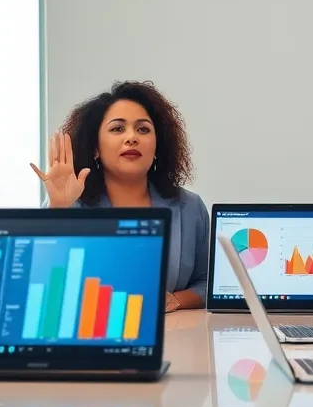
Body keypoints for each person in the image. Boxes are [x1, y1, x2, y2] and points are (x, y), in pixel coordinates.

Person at [32, 80, 208, 312]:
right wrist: (58, 207)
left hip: (173, 337)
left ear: (157, 145)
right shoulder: (70, 204)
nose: (132, 137)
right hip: (91, 338)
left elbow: (209, 283)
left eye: (143, 129)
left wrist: (177, 300)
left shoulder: (189, 206)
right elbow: (39, 282)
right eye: (117, 128)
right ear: (95, 148)